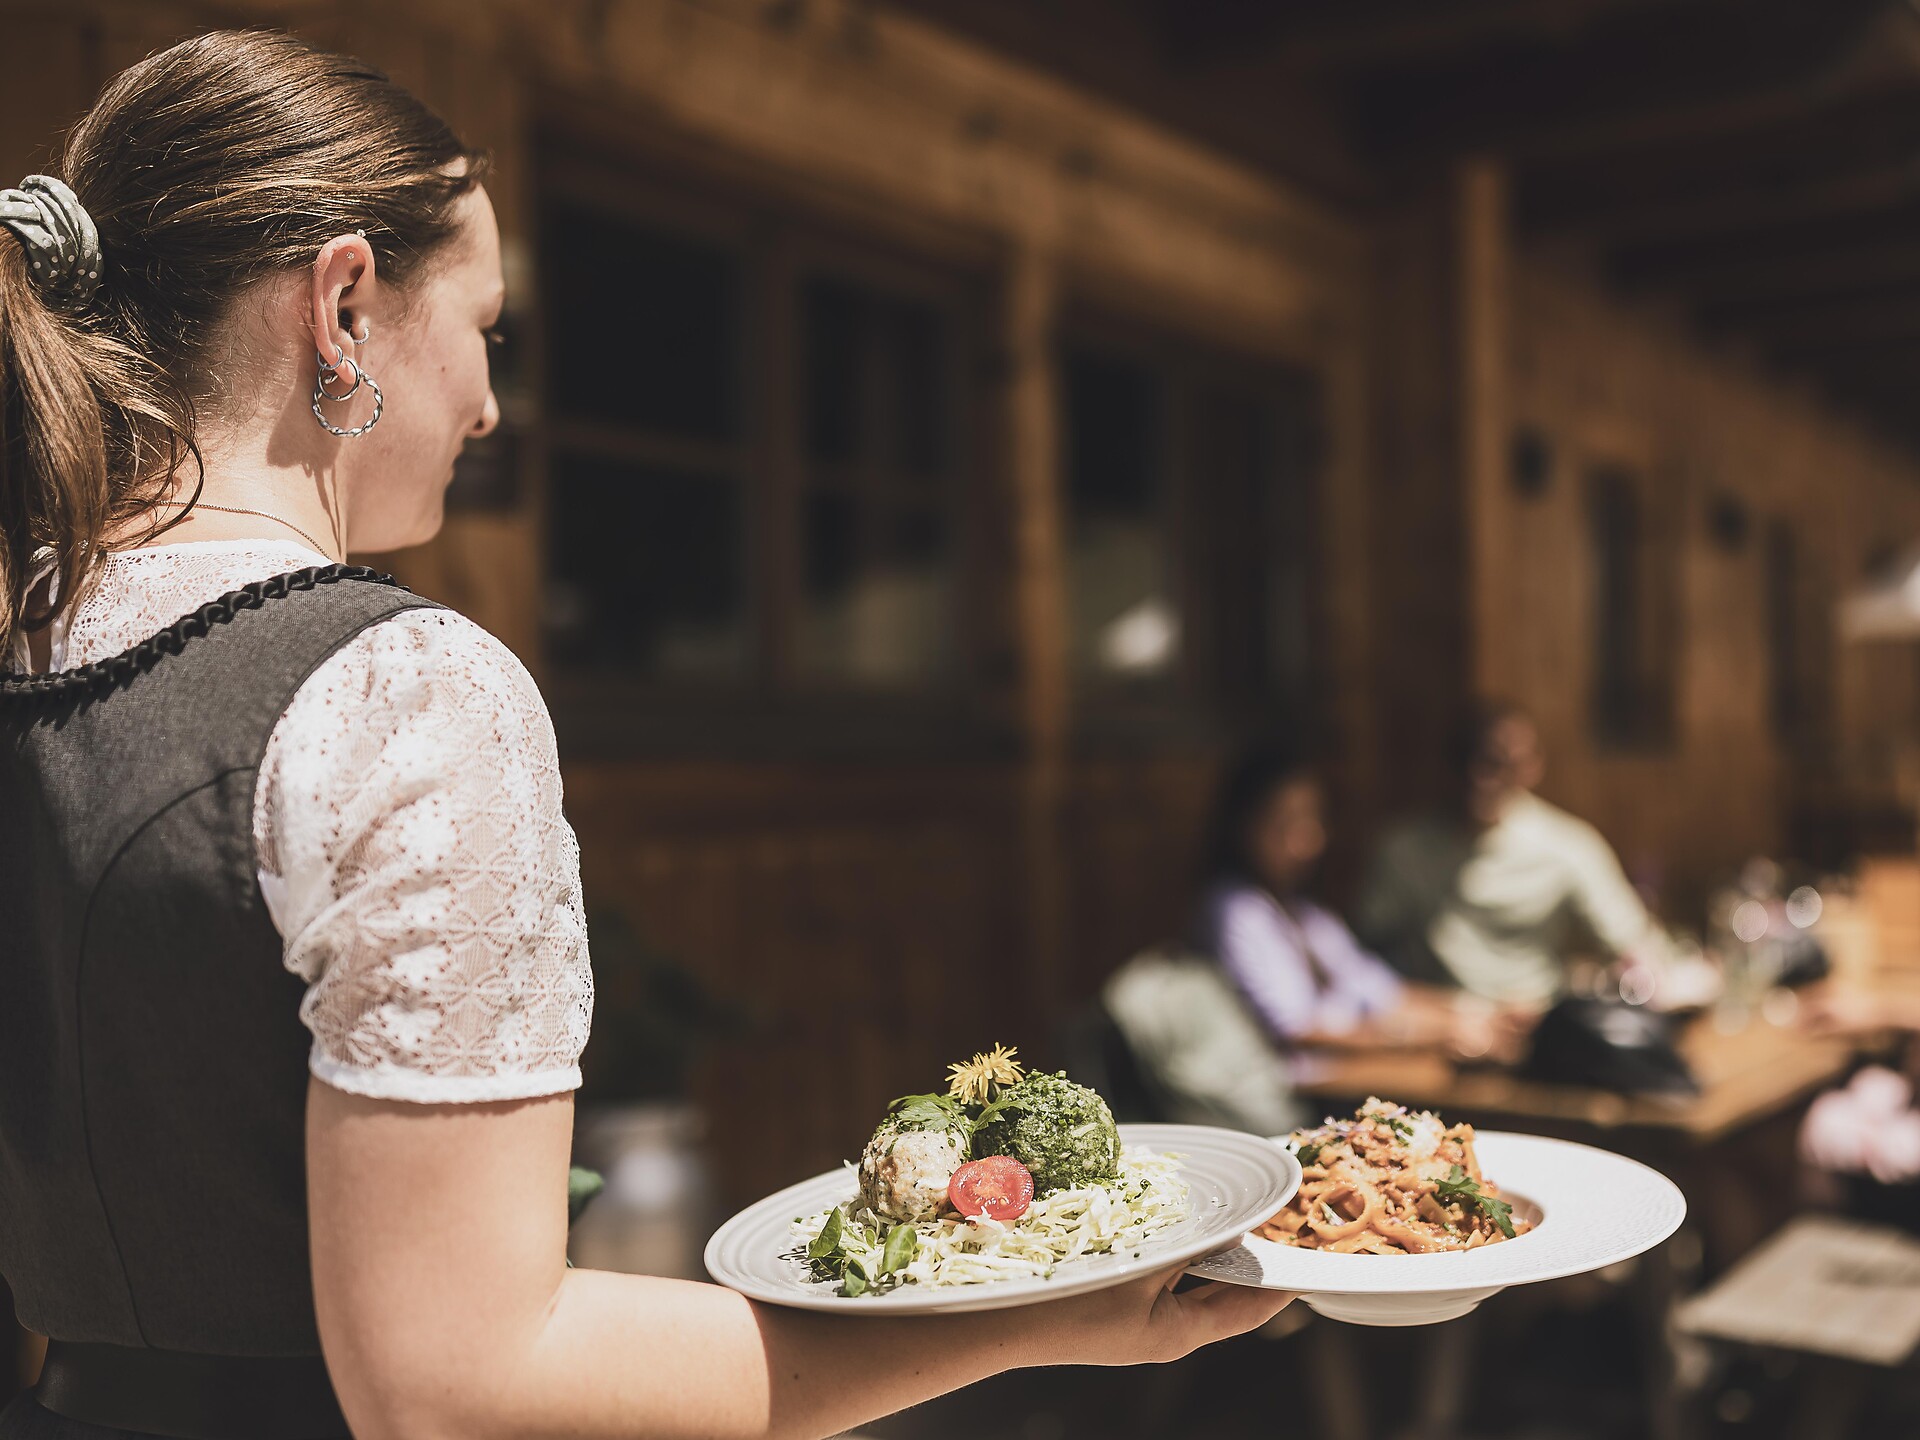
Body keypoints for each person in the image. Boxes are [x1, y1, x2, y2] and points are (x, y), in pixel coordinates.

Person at [0, 32, 1292, 1440]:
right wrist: (1036, 1314)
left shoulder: (31, 655)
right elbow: (462, 1385)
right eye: (487, 327)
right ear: (345, 306)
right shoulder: (398, 691)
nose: (491, 402)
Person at [1194, 743, 1517, 1063]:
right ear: (1244, 825)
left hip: (1345, 1068)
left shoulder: (1304, 913)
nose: (1306, 840)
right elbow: (1298, 1030)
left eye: (1312, 820)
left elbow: (1378, 991)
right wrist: (1433, 1036)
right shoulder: (1235, 910)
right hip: (1288, 1085)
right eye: (1285, 823)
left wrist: (1477, 1012)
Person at [1354, 702, 1668, 1007]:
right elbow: (1364, 957)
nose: (1481, 779)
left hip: (1535, 1015)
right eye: (1469, 760)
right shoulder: (1405, 851)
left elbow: (1633, 941)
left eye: (1498, 764)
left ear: (1531, 767)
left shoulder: (1566, 845)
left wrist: (1642, 977)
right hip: (1440, 1018)